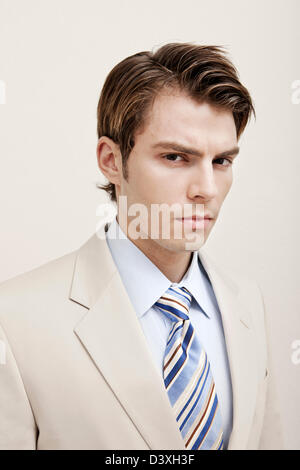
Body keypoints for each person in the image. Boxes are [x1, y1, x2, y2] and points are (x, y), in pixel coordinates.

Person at [0, 42, 283, 450]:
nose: (206, 189)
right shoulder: (15, 323)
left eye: (221, 161)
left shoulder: (247, 303)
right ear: (111, 160)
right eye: (175, 157)